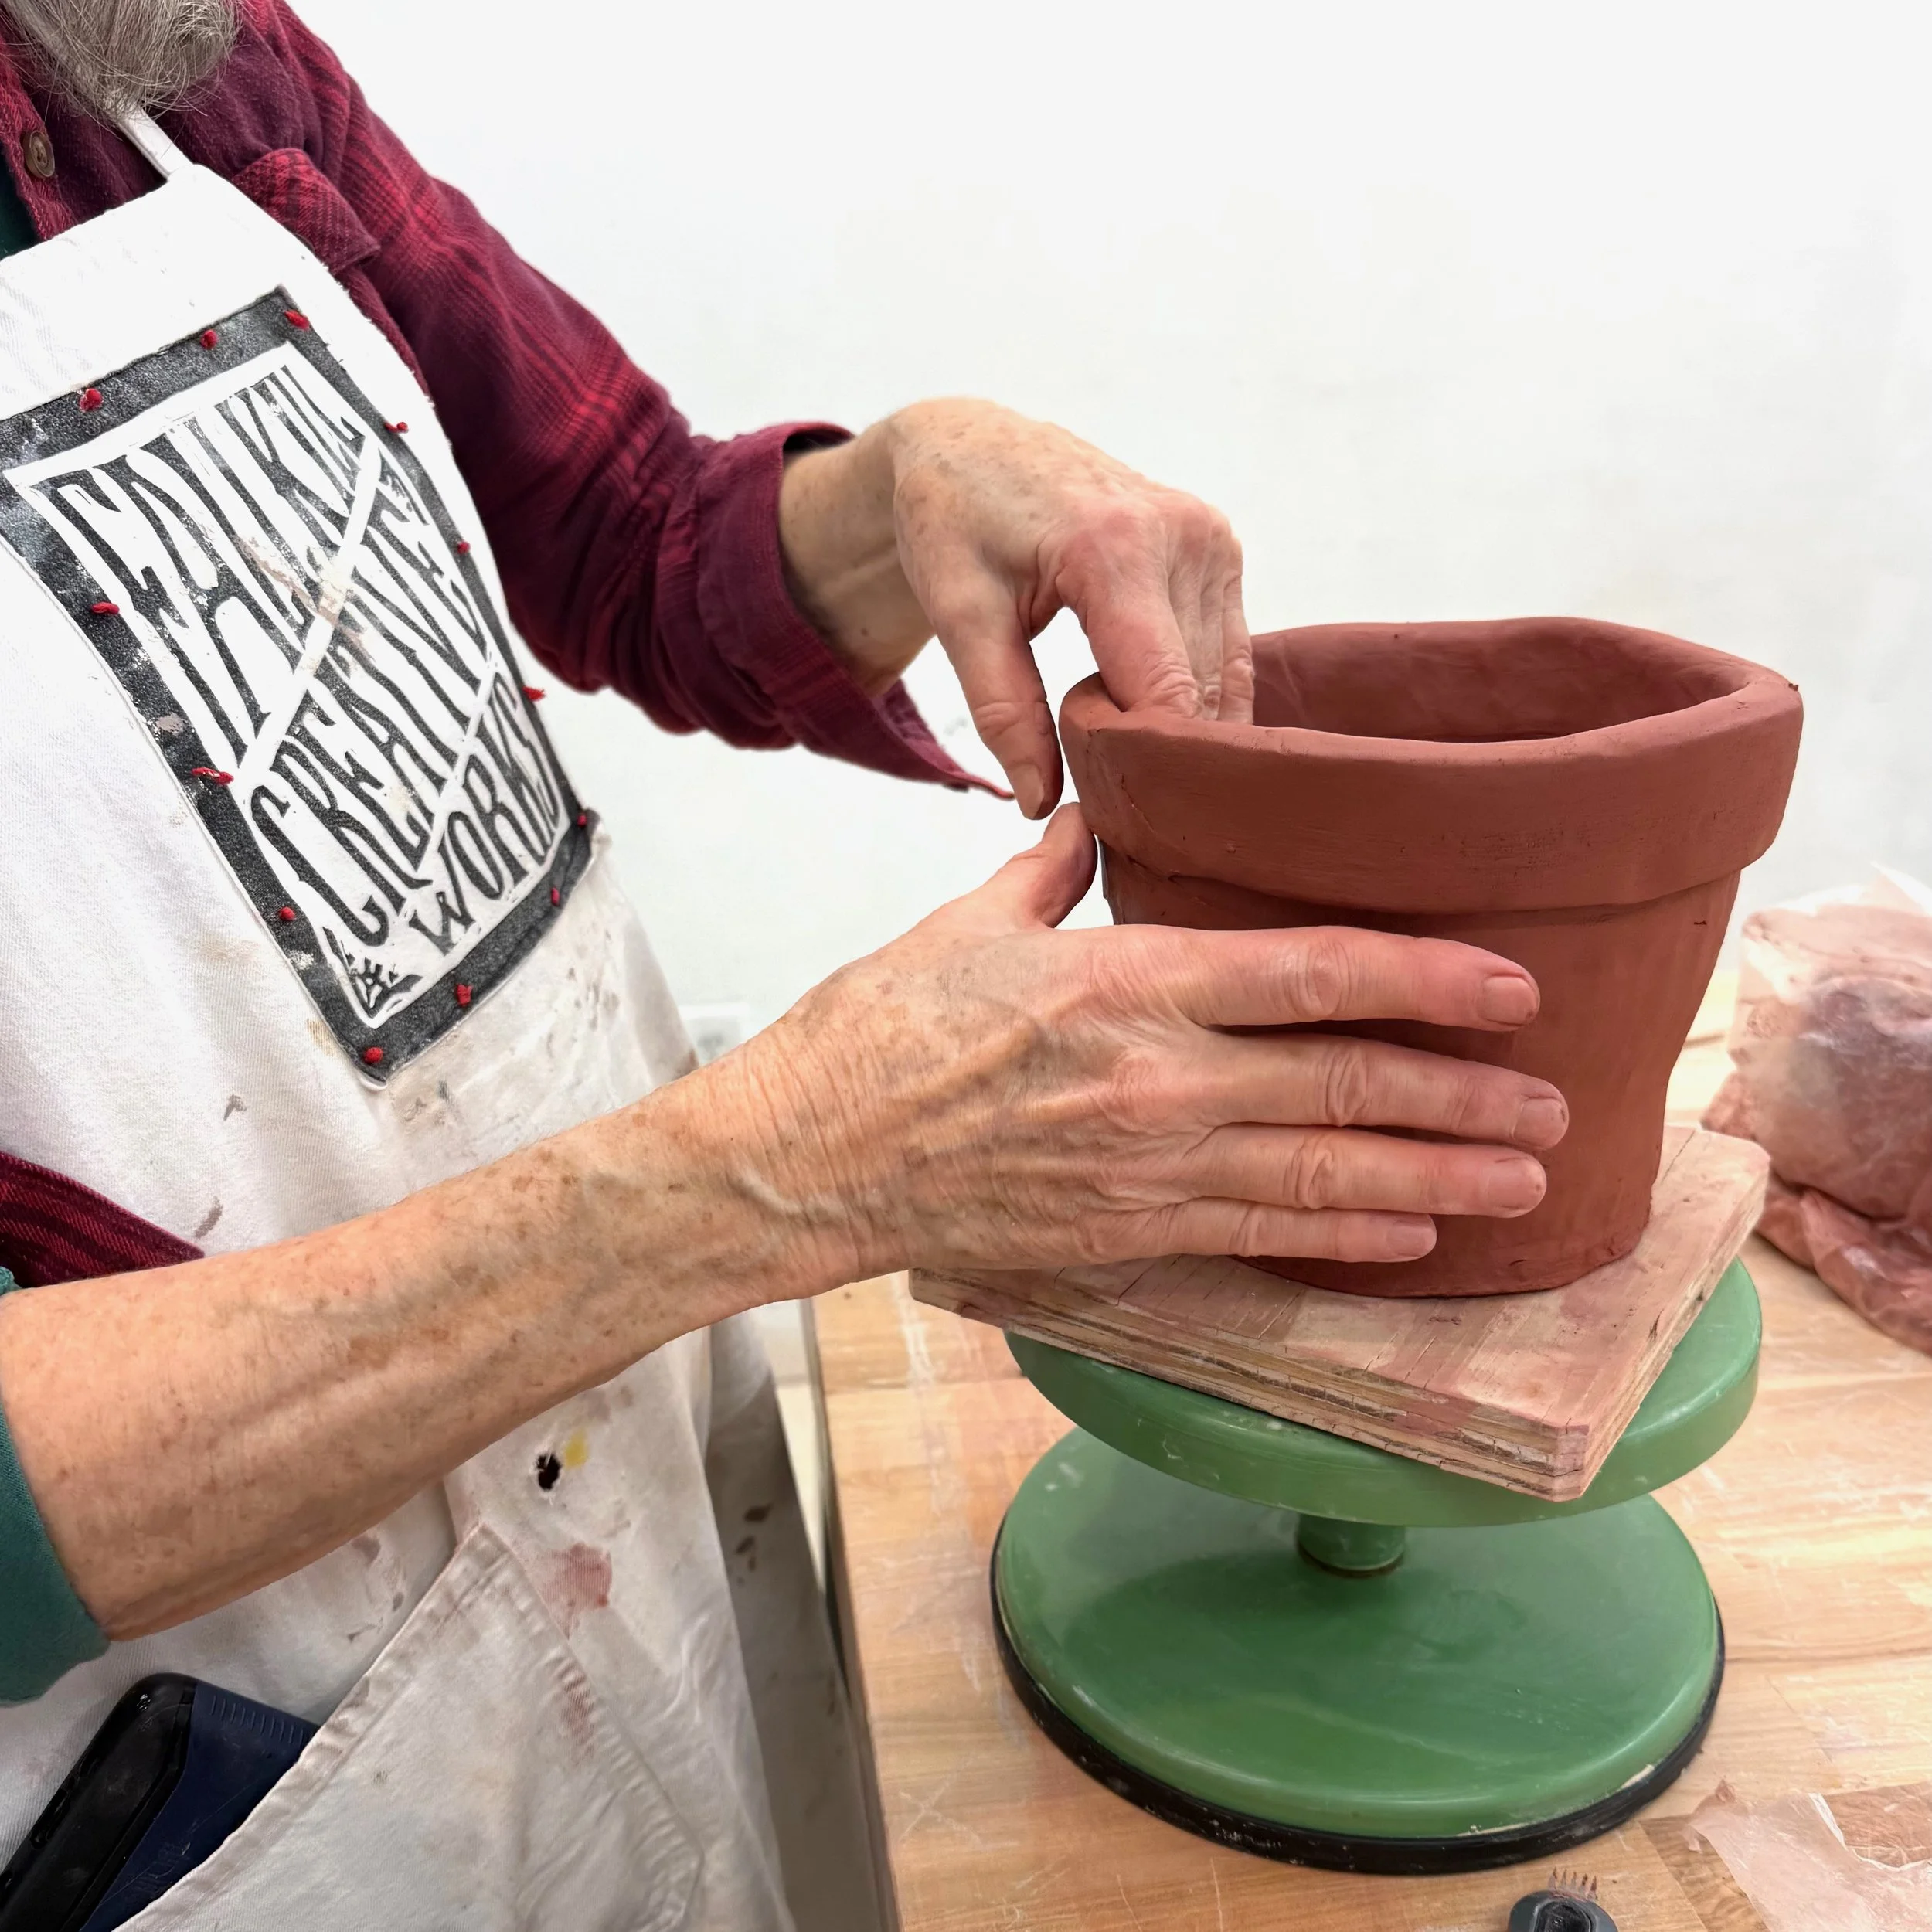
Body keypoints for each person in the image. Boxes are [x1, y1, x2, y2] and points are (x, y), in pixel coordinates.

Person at [0, 1, 1569, 1924]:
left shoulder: (162, 54)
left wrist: (907, 481)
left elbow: (619, 521)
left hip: (606, 1466)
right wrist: (765, 1173)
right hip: (215, 1756)